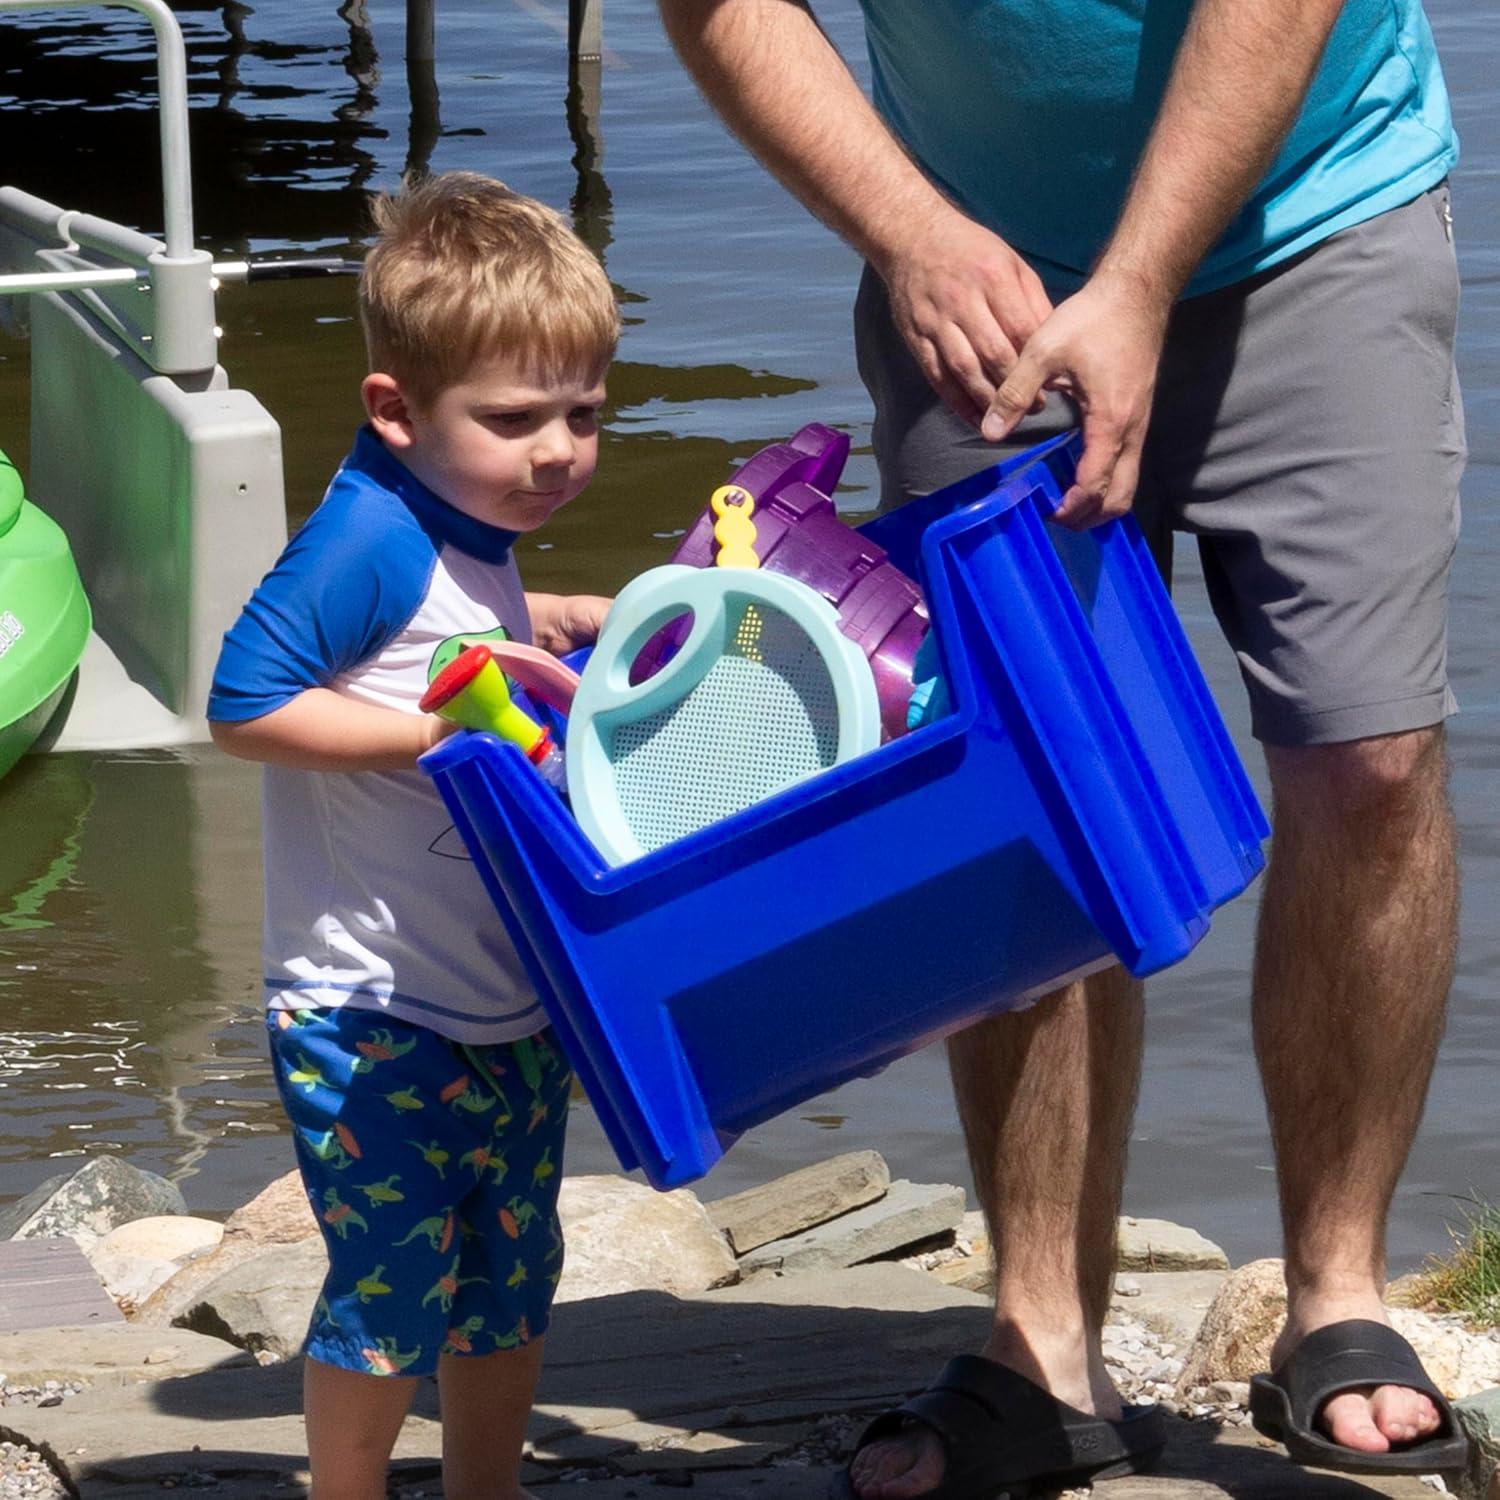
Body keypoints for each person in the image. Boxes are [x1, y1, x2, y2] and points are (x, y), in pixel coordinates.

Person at [657, 1, 1471, 1495]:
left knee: (1369, 760)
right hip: (979, 267)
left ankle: (1336, 1295)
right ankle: (1043, 1339)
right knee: (1021, 788)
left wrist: (1145, 277)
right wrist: (906, 231)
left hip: (1316, 212)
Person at [208, 170, 618, 1500]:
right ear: (394, 411)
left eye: (584, 414)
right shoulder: (367, 536)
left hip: (498, 998)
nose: (555, 448)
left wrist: (544, 615)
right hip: (369, 1005)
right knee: (394, 1282)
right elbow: (243, 705)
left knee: (512, 1274)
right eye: (514, 420)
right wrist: (436, 742)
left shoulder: (466, 518)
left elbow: (445, 632)